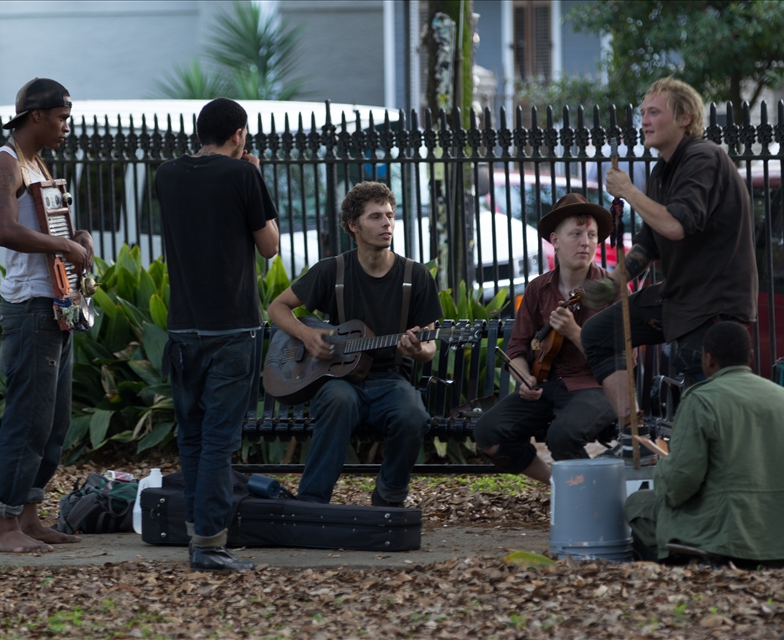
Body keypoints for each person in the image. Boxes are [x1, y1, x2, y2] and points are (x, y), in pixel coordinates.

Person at [580, 77, 758, 459]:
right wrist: (616, 281)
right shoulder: (663, 171)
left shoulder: (702, 156)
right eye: (642, 112)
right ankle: (634, 434)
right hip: (681, 298)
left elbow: (676, 225)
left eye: (654, 112)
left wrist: (628, 191)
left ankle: (717, 476)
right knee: (598, 333)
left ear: (684, 118)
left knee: (703, 408)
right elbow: (650, 239)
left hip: (713, 304)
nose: (644, 120)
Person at [156, 98, 279, 572]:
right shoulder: (244, 176)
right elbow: (269, 247)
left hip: (183, 325)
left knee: (191, 436)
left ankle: (197, 533)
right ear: (240, 134)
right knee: (219, 440)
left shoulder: (167, 174)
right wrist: (256, 174)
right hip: (232, 327)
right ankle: (208, 544)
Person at [267, 182, 442, 507]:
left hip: (391, 380)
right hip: (338, 378)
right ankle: (311, 506)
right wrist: (307, 335)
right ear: (353, 225)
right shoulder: (332, 270)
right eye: (375, 217)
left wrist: (418, 350)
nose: (387, 223)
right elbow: (276, 307)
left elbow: (430, 346)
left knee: (412, 414)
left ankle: (388, 500)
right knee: (338, 402)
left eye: (389, 215)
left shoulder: (415, 276)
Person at [0, 78, 94, 553]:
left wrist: (80, 238)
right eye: (61, 117)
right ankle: (3, 527)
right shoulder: (5, 163)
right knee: (27, 419)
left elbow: (50, 226)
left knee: (53, 422)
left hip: (56, 303)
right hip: (29, 306)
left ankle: (28, 516)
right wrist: (65, 245)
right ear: (35, 115)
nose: (66, 126)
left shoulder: (38, 164)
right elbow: (5, 231)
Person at [624, 322, 784, 565]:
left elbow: (677, 484)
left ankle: (685, 565)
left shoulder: (700, 400)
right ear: (750, 357)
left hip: (728, 533)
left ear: (708, 359)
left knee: (638, 503)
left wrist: (665, 468)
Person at [472, 194, 618, 483]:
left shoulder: (611, 290)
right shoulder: (538, 289)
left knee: (562, 435)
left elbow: (623, 360)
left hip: (598, 387)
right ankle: (559, 484)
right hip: (548, 387)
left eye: (591, 235)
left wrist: (576, 334)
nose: (585, 242)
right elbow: (517, 346)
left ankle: (591, 497)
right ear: (555, 239)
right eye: (575, 234)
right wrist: (524, 377)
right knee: (487, 433)